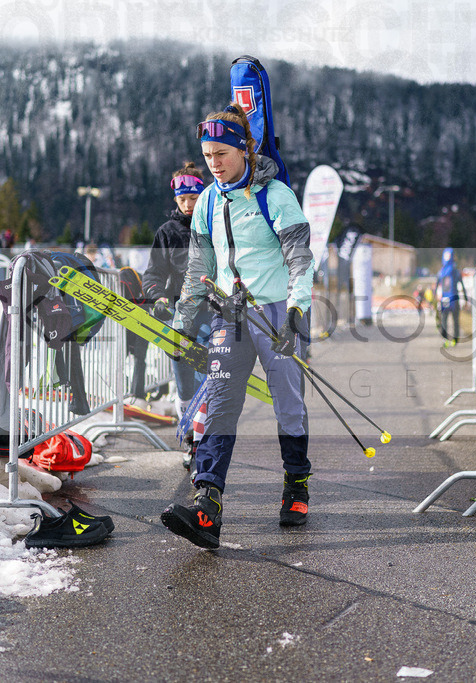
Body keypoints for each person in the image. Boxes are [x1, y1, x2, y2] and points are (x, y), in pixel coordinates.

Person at [160, 103, 314, 549]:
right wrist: (182, 324)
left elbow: (300, 259)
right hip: (230, 315)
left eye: (222, 154)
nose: (215, 164)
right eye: (208, 156)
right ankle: (207, 503)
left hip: (276, 313)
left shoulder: (274, 195)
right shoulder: (208, 199)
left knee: (288, 402)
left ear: (245, 148)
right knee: (222, 402)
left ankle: (297, 484)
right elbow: (197, 268)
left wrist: (297, 313)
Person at [143, 161, 213, 419]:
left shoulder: (213, 226)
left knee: (203, 367)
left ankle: (202, 423)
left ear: (202, 194)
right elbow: (154, 272)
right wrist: (157, 296)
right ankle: (187, 420)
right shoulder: (167, 232)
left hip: (210, 308)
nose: (188, 205)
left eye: (193, 198)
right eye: (182, 199)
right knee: (182, 368)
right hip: (180, 310)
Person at [436, 247, 468, 347]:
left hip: (444, 300)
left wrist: (434, 299)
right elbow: (462, 286)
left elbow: (437, 286)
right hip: (454, 299)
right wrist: (466, 299)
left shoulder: (441, 272)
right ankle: (455, 339)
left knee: (444, 320)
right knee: (455, 321)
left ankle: (445, 339)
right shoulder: (456, 271)